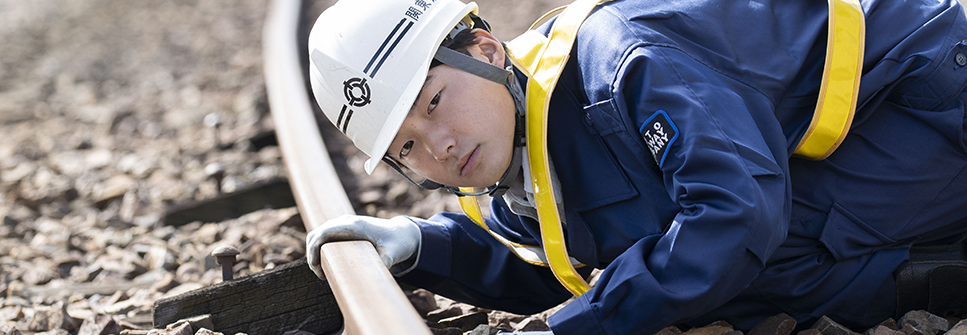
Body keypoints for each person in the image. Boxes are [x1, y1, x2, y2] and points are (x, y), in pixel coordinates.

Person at [304, 0, 967, 333]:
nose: (439, 145)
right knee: (680, 264)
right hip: (884, 131)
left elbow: (738, 213)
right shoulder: (520, 138)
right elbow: (569, 255)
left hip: (929, 89)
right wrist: (423, 244)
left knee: (740, 251)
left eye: (434, 102)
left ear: (485, 49)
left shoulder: (620, 66)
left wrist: (576, 327)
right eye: (407, 147)